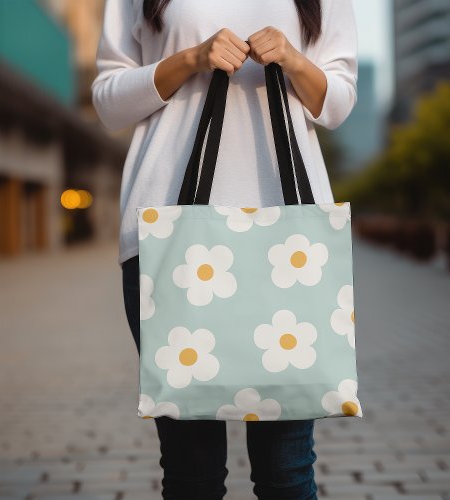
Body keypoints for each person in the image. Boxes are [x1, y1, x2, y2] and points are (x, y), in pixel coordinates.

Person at [91, 0, 358, 498]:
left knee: (287, 469)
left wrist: (294, 60)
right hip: (167, 239)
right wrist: (190, 60)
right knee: (190, 471)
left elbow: (338, 104)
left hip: (291, 250)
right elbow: (108, 102)